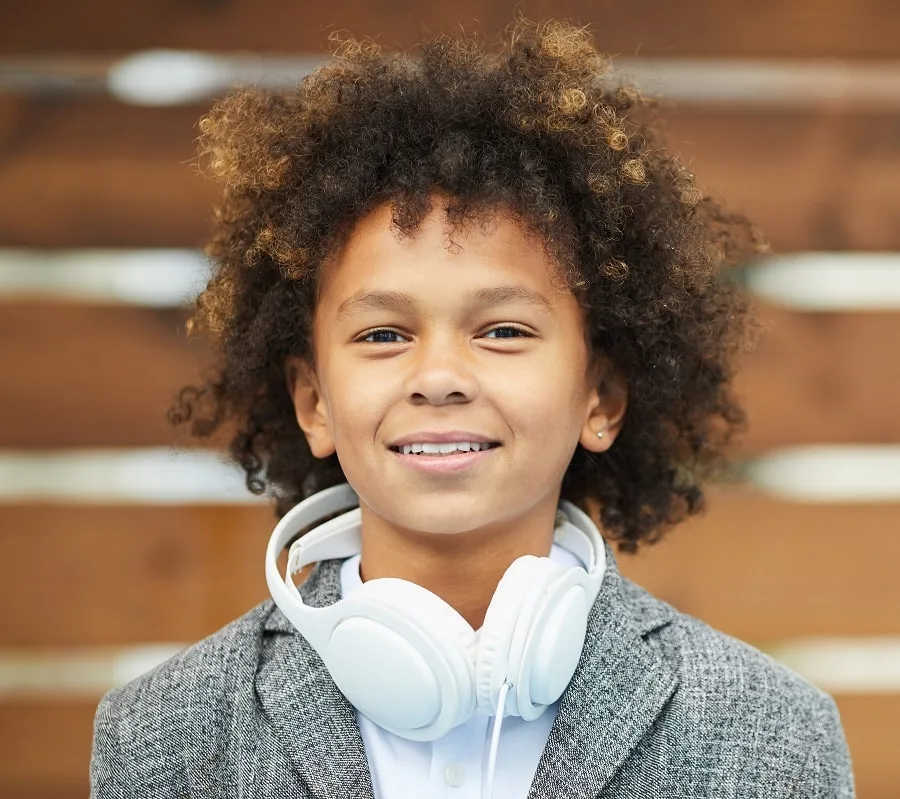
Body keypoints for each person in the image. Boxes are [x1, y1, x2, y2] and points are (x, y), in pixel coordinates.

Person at [90, 19, 854, 798]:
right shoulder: (163, 737)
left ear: (603, 397)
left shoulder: (770, 737)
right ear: (313, 401)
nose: (440, 376)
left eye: (503, 330)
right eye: (384, 332)